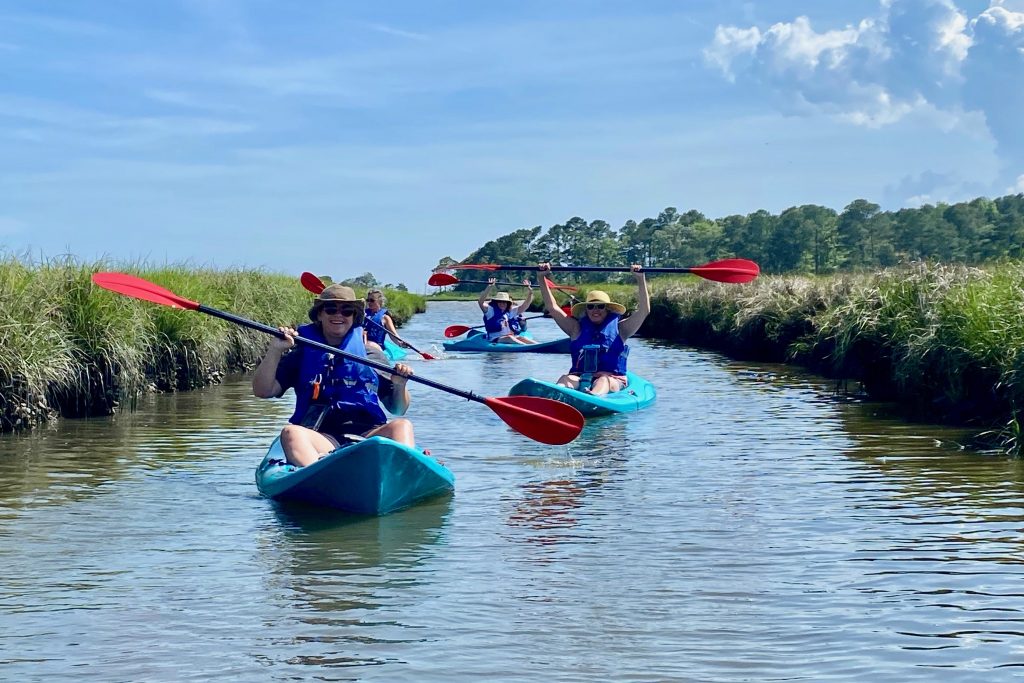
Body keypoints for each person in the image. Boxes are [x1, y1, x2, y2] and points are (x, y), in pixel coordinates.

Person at [252, 284, 415, 467]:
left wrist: (400, 385)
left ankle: (402, 476)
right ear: (320, 315)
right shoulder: (302, 353)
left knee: (402, 426)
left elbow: (398, 409)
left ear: (354, 317)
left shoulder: (372, 355)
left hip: (368, 434)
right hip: (322, 436)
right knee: (291, 433)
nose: (339, 315)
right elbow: (263, 391)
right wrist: (275, 350)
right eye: (330, 309)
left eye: (346, 311)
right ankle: (318, 476)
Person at [538, 264, 649, 396]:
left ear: (607, 309)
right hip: (580, 377)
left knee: (603, 380)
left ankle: (592, 397)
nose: (595, 310)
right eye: (591, 307)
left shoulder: (622, 328)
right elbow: (552, 308)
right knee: (565, 379)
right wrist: (541, 277)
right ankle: (555, 400)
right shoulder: (575, 328)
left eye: (600, 306)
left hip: (612, 379)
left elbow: (644, 310)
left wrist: (640, 279)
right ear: (586, 310)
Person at [477, 278, 537, 344]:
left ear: (507, 303)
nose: (502, 304)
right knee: (510, 338)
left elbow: (524, 306)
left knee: (521, 338)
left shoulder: (510, 312)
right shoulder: (490, 311)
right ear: (496, 302)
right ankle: (526, 347)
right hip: (495, 339)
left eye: (504, 302)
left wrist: (530, 292)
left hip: (510, 337)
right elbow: (480, 302)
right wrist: (489, 287)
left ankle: (538, 345)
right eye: (500, 302)